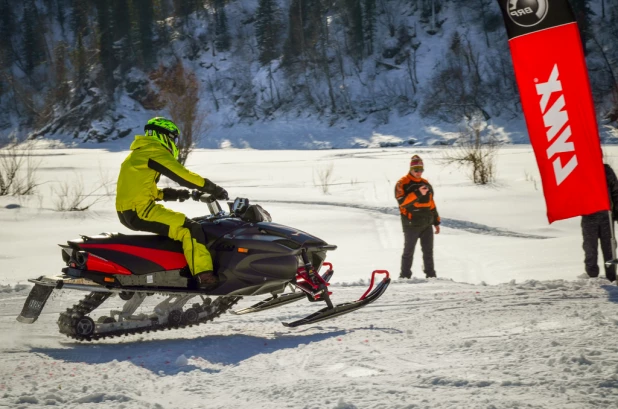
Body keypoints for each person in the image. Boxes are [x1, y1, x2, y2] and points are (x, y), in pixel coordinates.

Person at [115, 117, 229, 289]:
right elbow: (183, 176)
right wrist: (213, 188)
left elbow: (140, 188)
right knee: (190, 228)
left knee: (177, 226)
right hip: (140, 211)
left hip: (128, 210)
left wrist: (172, 194)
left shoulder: (139, 153)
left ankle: (176, 269)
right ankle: (204, 276)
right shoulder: (154, 151)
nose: (175, 142)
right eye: (174, 138)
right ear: (164, 135)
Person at [395, 155, 441, 279]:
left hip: (427, 223)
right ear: (411, 169)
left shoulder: (426, 183)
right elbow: (402, 203)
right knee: (408, 252)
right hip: (411, 224)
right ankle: (404, 276)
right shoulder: (402, 183)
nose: (419, 172)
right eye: (416, 170)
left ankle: (431, 275)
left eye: (421, 170)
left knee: (428, 252)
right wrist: (418, 193)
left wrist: (436, 221)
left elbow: (432, 204)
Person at [581, 164, 618, 282]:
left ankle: (611, 277)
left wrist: (617, 211)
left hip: (606, 217)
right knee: (590, 248)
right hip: (588, 216)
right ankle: (592, 277)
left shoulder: (606, 170)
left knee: (609, 249)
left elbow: (616, 192)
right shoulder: (581, 171)